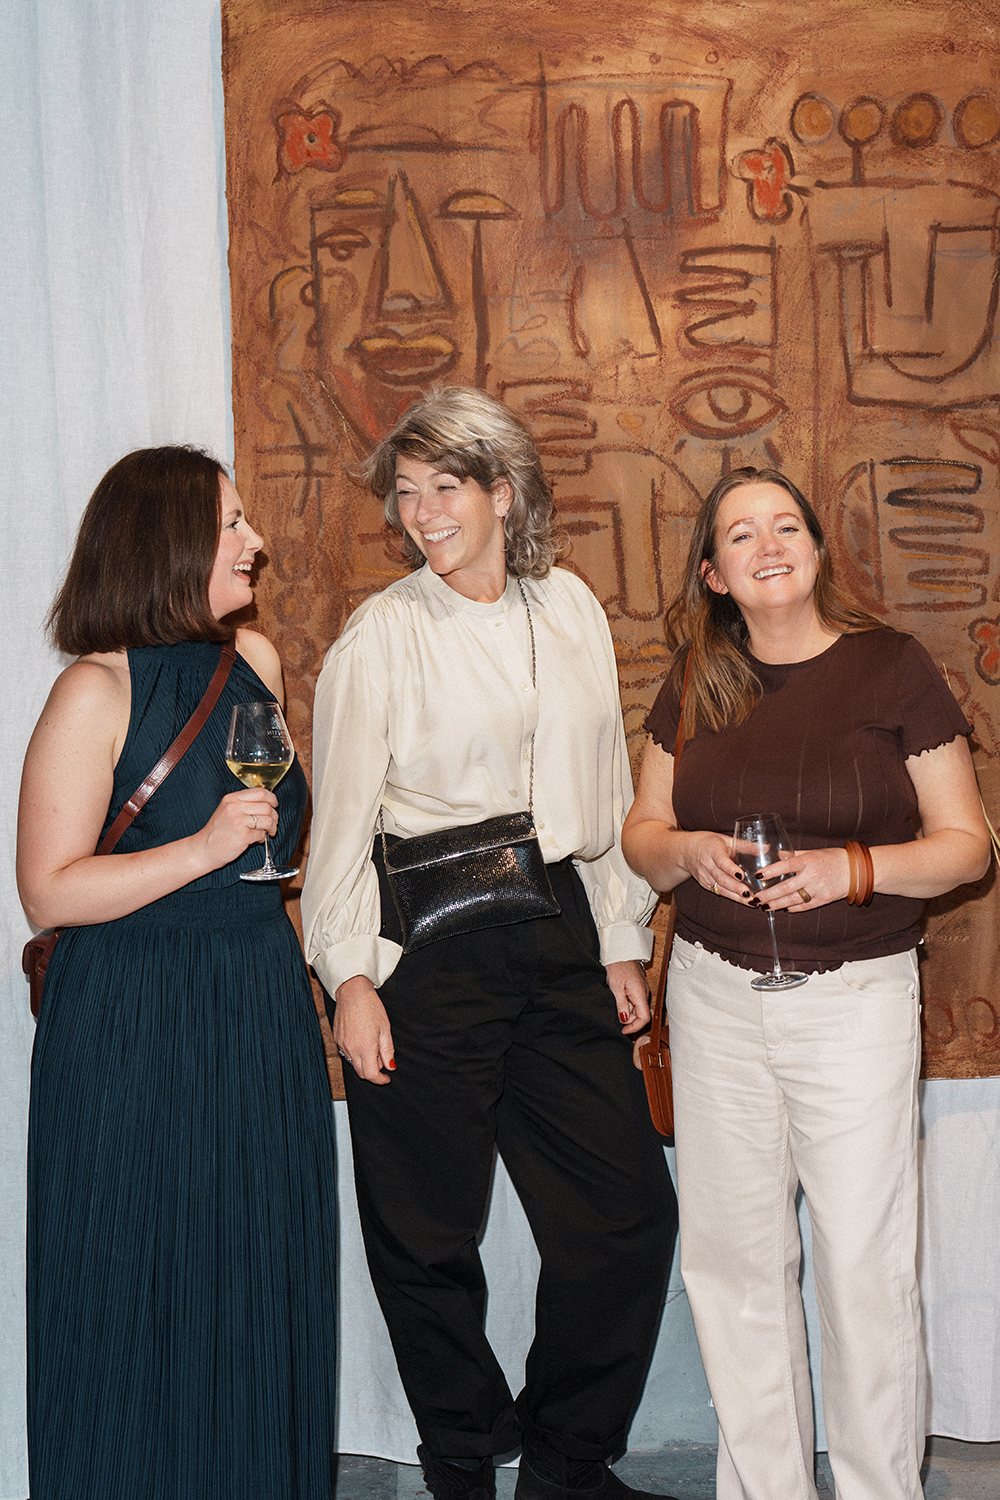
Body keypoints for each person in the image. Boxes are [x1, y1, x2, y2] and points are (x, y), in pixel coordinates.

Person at [301, 386, 677, 1500]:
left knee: (624, 1216)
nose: (422, 513)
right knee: (424, 1227)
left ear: (504, 493)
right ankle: (461, 1453)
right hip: (428, 941)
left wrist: (619, 935)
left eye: (445, 488)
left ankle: (566, 1461)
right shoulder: (381, 635)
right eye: (406, 495)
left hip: (559, 921)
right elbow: (342, 827)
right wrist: (349, 977)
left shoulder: (569, 605)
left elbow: (602, 783)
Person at [620, 466, 991, 1500]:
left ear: (819, 552)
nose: (768, 544)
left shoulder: (892, 668)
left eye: (786, 525)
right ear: (714, 573)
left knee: (865, 1271)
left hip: (855, 1005)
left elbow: (966, 847)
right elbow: (641, 836)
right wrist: (685, 850)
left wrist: (852, 869)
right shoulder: (695, 679)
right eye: (741, 533)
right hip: (713, 1002)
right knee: (733, 1270)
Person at [17, 447, 338, 1500]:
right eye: (231, 524)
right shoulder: (94, 688)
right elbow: (50, 890)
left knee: (255, 1270)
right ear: (166, 543)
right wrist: (201, 850)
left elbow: (274, 840)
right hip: (131, 1020)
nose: (257, 542)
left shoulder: (258, 663)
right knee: (132, 1277)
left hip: (254, 1000)